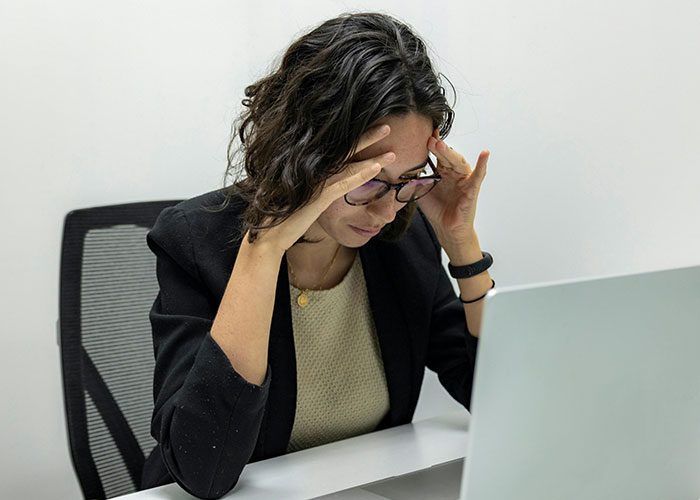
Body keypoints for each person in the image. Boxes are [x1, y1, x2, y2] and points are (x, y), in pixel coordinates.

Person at [141, 11, 493, 500]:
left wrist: (462, 247)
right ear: (303, 150)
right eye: (367, 179)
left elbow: (500, 402)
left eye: (409, 180)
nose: (386, 210)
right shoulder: (196, 241)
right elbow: (204, 470)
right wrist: (263, 251)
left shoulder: (402, 241)